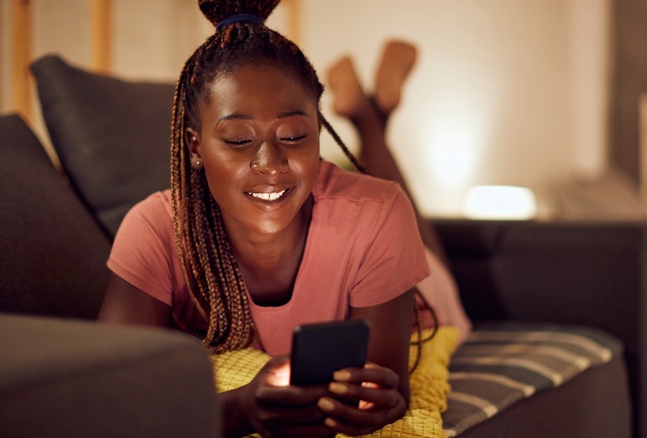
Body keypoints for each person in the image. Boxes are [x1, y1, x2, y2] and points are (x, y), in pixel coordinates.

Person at [97, 1, 438, 436]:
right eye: (238, 139)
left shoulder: (378, 213)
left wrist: (380, 403)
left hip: (423, 293)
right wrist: (236, 411)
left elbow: (388, 390)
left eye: (294, 135)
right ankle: (372, 116)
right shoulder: (156, 228)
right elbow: (105, 395)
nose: (270, 162)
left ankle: (370, 120)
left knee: (412, 226)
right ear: (196, 147)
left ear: (318, 130)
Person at [326, 41, 471, 340]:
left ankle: (369, 116)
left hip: (394, 279)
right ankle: (371, 117)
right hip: (404, 284)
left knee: (426, 255)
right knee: (417, 244)